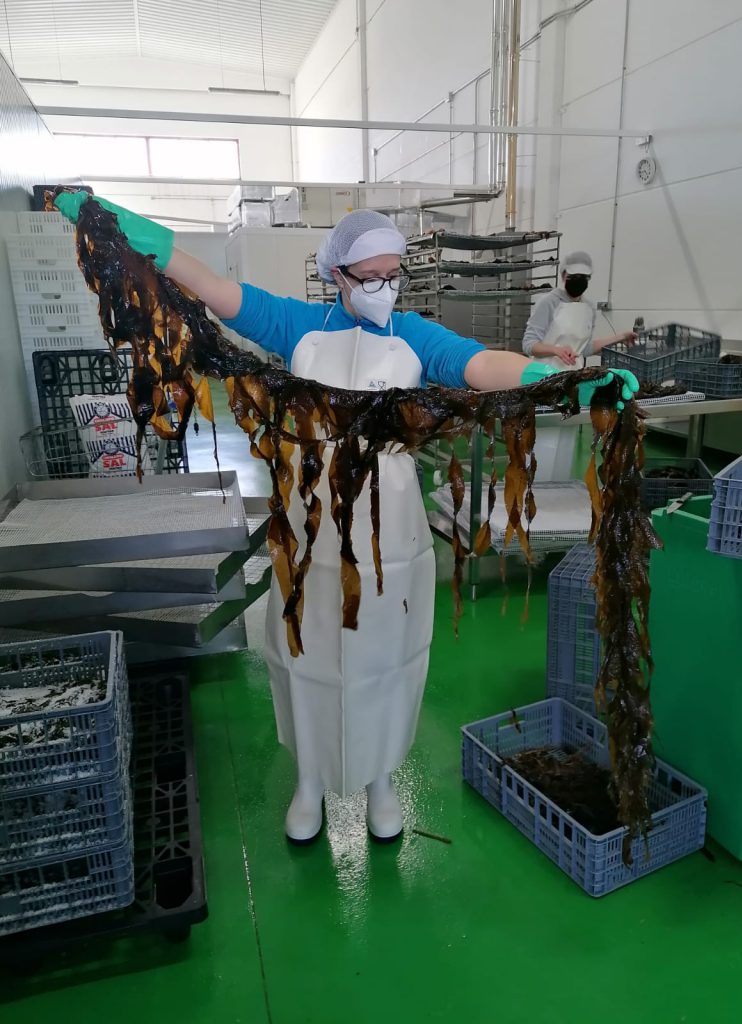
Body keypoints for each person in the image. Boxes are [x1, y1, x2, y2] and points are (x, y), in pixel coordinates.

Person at [55, 194, 638, 845]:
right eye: (371, 277)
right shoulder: (297, 326)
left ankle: (381, 779)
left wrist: (544, 376)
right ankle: (309, 780)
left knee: (384, 654)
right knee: (306, 650)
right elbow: (219, 292)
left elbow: (478, 365)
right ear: (338, 275)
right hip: (308, 532)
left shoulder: (414, 335)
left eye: (395, 276)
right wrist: (152, 246)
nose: (385, 289)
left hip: (390, 534)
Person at [522, 251, 636, 370]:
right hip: (542, 375)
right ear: (563, 275)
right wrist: (556, 350)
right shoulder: (549, 302)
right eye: (574, 276)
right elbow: (529, 344)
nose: (578, 280)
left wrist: (621, 337)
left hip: (572, 376)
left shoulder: (588, 308)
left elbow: (585, 349)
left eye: (583, 277)